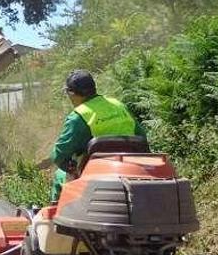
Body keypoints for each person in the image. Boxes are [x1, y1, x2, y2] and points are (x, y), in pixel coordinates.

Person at [46, 69, 145, 202]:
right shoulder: (118, 105)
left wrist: (66, 165)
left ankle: (57, 218)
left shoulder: (79, 117)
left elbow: (59, 154)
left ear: (72, 93)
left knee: (60, 175)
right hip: (131, 166)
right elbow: (142, 137)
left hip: (98, 172)